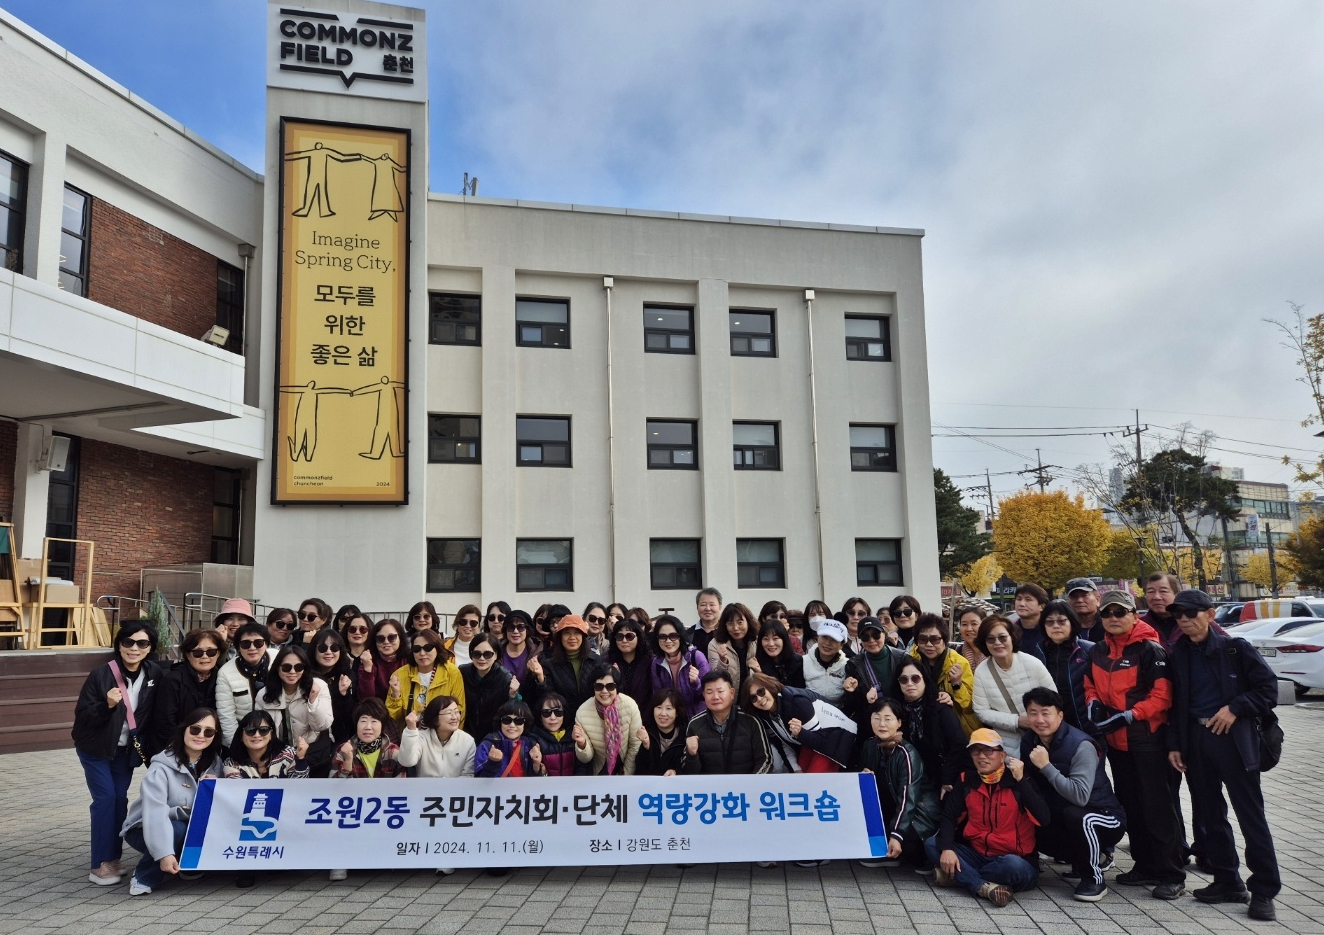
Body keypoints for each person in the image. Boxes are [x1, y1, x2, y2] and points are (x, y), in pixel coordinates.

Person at [1166, 589, 1280, 921]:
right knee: (1209, 814)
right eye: (1178, 615)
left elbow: (1268, 690)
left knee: (1250, 816)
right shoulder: (1179, 654)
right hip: (1196, 741)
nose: (1185, 620)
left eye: (1191, 613)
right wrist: (1175, 743)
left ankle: (1263, 890)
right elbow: (1176, 706)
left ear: (1211, 614)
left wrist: (1235, 708)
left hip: (1234, 741)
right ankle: (1227, 880)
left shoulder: (1236, 649)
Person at [1083, 589, 1185, 900]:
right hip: (1118, 744)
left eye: (1120, 612)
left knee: (1159, 809)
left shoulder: (1150, 650)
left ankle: (1172, 874)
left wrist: (1132, 715)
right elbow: (1090, 684)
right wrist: (1093, 704)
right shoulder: (1098, 650)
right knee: (1133, 807)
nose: (1113, 618)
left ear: (1133, 615)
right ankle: (1145, 865)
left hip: (1148, 741)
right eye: (1107, 613)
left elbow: (1163, 695)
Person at [74, 619, 163, 886]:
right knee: (106, 799)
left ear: (150, 648)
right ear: (119, 644)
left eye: (142, 643)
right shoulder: (101, 674)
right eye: (128, 642)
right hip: (96, 748)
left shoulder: (154, 674)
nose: (134, 648)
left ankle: (112, 858)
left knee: (119, 800)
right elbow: (83, 718)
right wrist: (107, 705)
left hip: (126, 752)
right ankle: (99, 864)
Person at [1020, 687, 1126, 902]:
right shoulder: (1030, 741)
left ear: (1060, 715)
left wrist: (1047, 766)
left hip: (1104, 816)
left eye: (1045, 712)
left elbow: (1080, 797)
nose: (1039, 719)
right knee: (1025, 806)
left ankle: (1093, 878)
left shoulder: (1081, 745)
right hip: (1064, 814)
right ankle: (1072, 859)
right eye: (1032, 713)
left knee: (1078, 815)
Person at [925, 728, 1050, 907]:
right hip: (977, 854)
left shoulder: (1019, 780)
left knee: (1013, 865)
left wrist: (1021, 781)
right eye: (976, 751)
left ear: (1002, 755)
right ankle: (981, 886)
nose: (982, 756)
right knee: (932, 843)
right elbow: (949, 817)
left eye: (988, 750)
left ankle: (960, 877)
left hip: (1014, 859)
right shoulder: (967, 779)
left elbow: (1044, 818)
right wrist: (946, 849)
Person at [121, 707, 223, 895]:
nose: (201, 735)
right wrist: (164, 853)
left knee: (189, 827)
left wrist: (220, 785)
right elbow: (155, 814)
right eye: (195, 729)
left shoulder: (216, 763)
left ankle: (187, 863)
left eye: (209, 731)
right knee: (178, 829)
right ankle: (145, 876)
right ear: (184, 729)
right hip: (145, 828)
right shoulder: (160, 768)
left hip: (190, 826)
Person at [858, 698, 943, 871]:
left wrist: (897, 835)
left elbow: (908, 798)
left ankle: (916, 854)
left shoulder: (907, 753)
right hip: (893, 808)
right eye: (876, 717)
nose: (882, 723)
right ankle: (889, 851)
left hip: (919, 817)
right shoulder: (870, 746)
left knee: (913, 848)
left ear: (898, 723)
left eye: (888, 719)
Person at [970, 615, 1055, 751]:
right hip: (1006, 744)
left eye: (1002, 637)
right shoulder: (982, 671)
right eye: (991, 639)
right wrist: (1016, 721)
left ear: (1012, 637)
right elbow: (981, 711)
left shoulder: (1032, 663)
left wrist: (1036, 719)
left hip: (1041, 737)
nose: (997, 643)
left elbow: (1054, 700)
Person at [741, 672, 856, 773]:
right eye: (753, 698)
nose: (760, 699)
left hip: (836, 737)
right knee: (801, 777)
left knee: (812, 782)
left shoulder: (795, 702)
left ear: (769, 686)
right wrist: (795, 769)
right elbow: (782, 745)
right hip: (810, 741)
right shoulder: (764, 715)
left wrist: (800, 733)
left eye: (761, 691)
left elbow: (821, 741)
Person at [892, 660, 969, 796]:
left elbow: (959, 744)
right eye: (904, 679)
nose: (910, 683)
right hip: (908, 778)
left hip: (939, 778)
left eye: (915, 678)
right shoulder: (895, 711)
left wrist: (947, 779)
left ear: (924, 680)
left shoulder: (940, 707)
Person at [256, 645, 334, 776]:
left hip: (313, 754)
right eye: (286, 667)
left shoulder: (318, 686)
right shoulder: (264, 695)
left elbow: (322, 725)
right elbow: (261, 730)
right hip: (278, 757)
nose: (292, 672)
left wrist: (313, 701)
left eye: (298, 667)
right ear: (277, 668)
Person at [526, 614, 608, 732]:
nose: (572, 637)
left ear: (584, 636)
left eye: (577, 633)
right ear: (560, 637)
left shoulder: (596, 661)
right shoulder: (549, 664)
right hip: (563, 726)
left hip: (593, 723)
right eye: (567, 633)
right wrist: (540, 677)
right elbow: (547, 698)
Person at [150, 627, 224, 756]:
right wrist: (186, 751)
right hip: (174, 751)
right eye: (198, 652)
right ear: (188, 655)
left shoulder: (222, 678)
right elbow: (165, 723)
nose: (205, 657)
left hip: (210, 751)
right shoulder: (172, 681)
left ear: (218, 654)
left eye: (211, 652)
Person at [684, 670, 771, 775]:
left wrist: (750, 786)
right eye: (709, 692)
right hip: (710, 790)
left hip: (745, 788)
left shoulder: (750, 720)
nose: (715, 697)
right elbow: (688, 773)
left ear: (732, 693)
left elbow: (765, 760)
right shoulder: (695, 724)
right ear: (703, 695)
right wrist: (691, 755)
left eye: (720, 691)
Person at [842, 616, 909, 752]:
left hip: (901, 724)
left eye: (876, 635)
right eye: (866, 637)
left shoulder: (902, 658)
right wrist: (852, 692)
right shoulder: (854, 664)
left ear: (884, 634)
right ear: (861, 641)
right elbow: (852, 705)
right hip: (871, 728)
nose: (872, 640)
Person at [1031, 600, 1095, 733]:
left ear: (1072, 622)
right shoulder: (1038, 652)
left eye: (1061, 621)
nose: (1055, 626)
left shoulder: (1089, 650)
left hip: (1087, 726)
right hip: (1052, 726)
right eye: (1049, 622)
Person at [908, 614, 977, 736]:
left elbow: (969, 706)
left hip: (955, 726)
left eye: (935, 639)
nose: (929, 645)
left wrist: (956, 684)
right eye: (923, 639)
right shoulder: (911, 661)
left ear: (944, 640)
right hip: (923, 725)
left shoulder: (959, 663)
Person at [387, 628, 466, 730]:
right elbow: (394, 716)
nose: (422, 653)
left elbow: (459, 711)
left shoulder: (452, 672)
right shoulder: (400, 675)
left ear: (437, 648)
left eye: (428, 648)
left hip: (442, 736)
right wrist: (396, 695)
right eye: (417, 649)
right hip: (412, 737)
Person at [215, 621, 277, 749]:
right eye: (245, 644)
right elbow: (226, 716)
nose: (252, 648)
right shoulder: (225, 672)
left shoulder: (278, 659)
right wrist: (237, 746)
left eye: (258, 643)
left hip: (277, 734)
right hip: (245, 736)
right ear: (237, 647)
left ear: (267, 644)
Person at [572, 666, 643, 775]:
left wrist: (627, 774)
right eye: (599, 686)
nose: (604, 691)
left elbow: (635, 745)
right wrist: (582, 744)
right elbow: (585, 758)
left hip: (628, 767)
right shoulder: (582, 712)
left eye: (610, 686)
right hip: (601, 770)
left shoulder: (629, 705)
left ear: (617, 687)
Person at [647, 615, 709, 720]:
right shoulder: (656, 663)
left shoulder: (696, 657)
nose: (668, 641)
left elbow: (707, 694)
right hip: (672, 720)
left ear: (680, 636)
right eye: (662, 637)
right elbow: (658, 697)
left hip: (698, 719)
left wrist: (696, 683)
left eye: (673, 636)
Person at [399, 695, 477, 779]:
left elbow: (468, 775)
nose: (454, 717)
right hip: (426, 790)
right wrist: (411, 731)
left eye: (456, 712)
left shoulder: (467, 741)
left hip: (455, 791)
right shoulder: (422, 738)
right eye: (449, 713)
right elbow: (407, 762)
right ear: (435, 718)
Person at [459, 633, 516, 740]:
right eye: (477, 654)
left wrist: (513, 694)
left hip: (493, 736)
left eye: (487, 654)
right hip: (464, 734)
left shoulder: (505, 677)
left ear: (496, 655)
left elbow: (510, 709)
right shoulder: (462, 672)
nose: (482, 658)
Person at [224, 709, 309, 778]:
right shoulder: (232, 764)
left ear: (271, 735)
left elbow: (299, 789)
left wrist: (300, 758)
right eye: (250, 730)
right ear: (240, 735)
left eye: (263, 730)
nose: (257, 735)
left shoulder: (288, 755)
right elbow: (237, 795)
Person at [309, 628, 357, 744]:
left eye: (334, 648)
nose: (329, 652)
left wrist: (343, 696)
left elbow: (350, 717)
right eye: (322, 648)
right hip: (310, 739)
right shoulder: (305, 675)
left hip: (339, 740)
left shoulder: (347, 676)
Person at [475, 701, 546, 777]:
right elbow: (479, 782)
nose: (512, 725)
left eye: (519, 720)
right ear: (500, 722)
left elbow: (533, 783)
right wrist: (493, 763)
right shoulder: (487, 746)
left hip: (522, 789)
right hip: (498, 789)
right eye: (506, 720)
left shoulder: (529, 744)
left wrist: (536, 764)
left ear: (525, 724)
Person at [635, 689, 687, 776]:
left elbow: (689, 768)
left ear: (677, 712)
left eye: (668, 708)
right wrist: (646, 746)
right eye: (659, 707)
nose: (663, 713)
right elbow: (640, 770)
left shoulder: (685, 734)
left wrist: (676, 772)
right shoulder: (644, 732)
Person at [606, 617, 653, 711]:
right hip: (617, 716)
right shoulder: (608, 662)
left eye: (629, 636)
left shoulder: (650, 662)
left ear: (638, 637)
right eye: (619, 636)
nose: (624, 640)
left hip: (645, 718)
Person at [707, 603, 759, 687]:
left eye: (740, 622)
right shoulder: (715, 644)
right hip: (729, 697)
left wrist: (757, 671)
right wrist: (722, 661)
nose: (735, 628)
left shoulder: (757, 641)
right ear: (725, 625)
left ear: (748, 622)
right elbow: (715, 677)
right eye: (730, 623)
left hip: (754, 696)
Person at [802, 617, 851, 705]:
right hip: (808, 712)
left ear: (842, 645)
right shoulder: (802, 662)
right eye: (824, 637)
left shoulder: (848, 665)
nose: (827, 643)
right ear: (817, 637)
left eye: (833, 639)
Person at [357, 618, 408, 702]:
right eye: (380, 638)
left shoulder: (409, 659)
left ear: (400, 638)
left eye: (392, 637)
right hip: (376, 711)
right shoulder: (368, 660)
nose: (386, 642)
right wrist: (368, 669)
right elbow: (366, 698)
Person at [530, 692, 578, 777]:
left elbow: (583, 768)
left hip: (572, 787)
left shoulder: (574, 736)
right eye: (546, 713)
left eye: (558, 712)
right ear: (540, 717)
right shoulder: (533, 740)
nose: (553, 717)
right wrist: (537, 767)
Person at [751, 618, 805, 688]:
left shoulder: (798, 661)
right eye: (766, 639)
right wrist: (760, 674)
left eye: (775, 638)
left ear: (784, 640)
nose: (771, 644)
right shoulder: (756, 664)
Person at [1009, 584, 1049, 658]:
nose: (1021, 604)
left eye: (1028, 599)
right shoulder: (1009, 631)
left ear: (1041, 606)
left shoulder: (1050, 630)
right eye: (1019, 599)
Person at [498, 609, 539, 681]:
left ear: (527, 630)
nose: (515, 631)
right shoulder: (496, 652)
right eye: (511, 627)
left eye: (521, 627)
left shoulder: (538, 653)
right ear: (505, 630)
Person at [688, 587, 723, 655]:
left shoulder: (728, 632)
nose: (707, 608)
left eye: (712, 605)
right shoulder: (688, 634)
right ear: (697, 607)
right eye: (703, 605)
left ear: (720, 607)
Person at [1066, 578, 1104, 642]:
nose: (1079, 600)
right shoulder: (1063, 627)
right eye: (1074, 596)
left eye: (1084, 595)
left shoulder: (1108, 625)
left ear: (1097, 599)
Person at [340, 612, 373, 678]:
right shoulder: (338, 655)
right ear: (346, 631)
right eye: (352, 629)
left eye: (363, 629)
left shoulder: (375, 657)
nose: (357, 632)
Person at [955, 606, 987, 671]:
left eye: (974, 624)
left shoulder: (994, 650)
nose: (969, 629)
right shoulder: (956, 655)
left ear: (984, 625)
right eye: (964, 624)